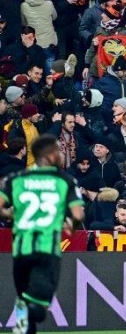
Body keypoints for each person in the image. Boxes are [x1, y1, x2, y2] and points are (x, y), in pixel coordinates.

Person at [1, 135, 85, 334]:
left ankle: (21, 329)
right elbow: (78, 214)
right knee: (39, 307)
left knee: (23, 297)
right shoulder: (65, 180)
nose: (61, 154)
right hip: (47, 249)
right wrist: (70, 227)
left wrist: (8, 213)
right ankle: (32, 312)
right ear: (49, 155)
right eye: (58, 150)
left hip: (21, 250)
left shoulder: (17, 178)